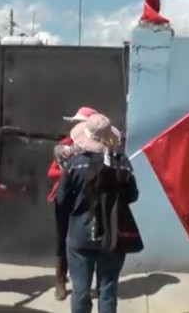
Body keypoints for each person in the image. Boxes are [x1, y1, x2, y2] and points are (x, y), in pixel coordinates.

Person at [56, 114, 142, 313]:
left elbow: (61, 199)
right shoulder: (123, 164)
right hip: (113, 234)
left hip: (80, 233)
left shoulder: (75, 164)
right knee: (108, 291)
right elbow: (132, 196)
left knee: (80, 291)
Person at [47, 106, 98, 300]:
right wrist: (71, 173)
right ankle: (60, 281)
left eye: (80, 123)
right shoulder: (65, 146)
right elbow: (51, 172)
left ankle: (82, 284)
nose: (75, 126)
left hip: (88, 200)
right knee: (62, 239)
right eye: (75, 123)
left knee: (86, 241)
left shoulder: (98, 147)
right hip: (66, 198)